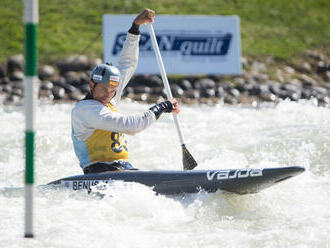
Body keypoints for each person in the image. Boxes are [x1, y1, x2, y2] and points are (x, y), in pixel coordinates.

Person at [71, 9, 180, 174]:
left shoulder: (110, 97)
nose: (108, 94)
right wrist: (161, 107)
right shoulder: (85, 110)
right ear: (91, 85)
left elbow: (128, 63)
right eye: (103, 90)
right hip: (97, 172)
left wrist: (135, 28)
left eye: (113, 90)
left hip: (123, 168)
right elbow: (132, 126)